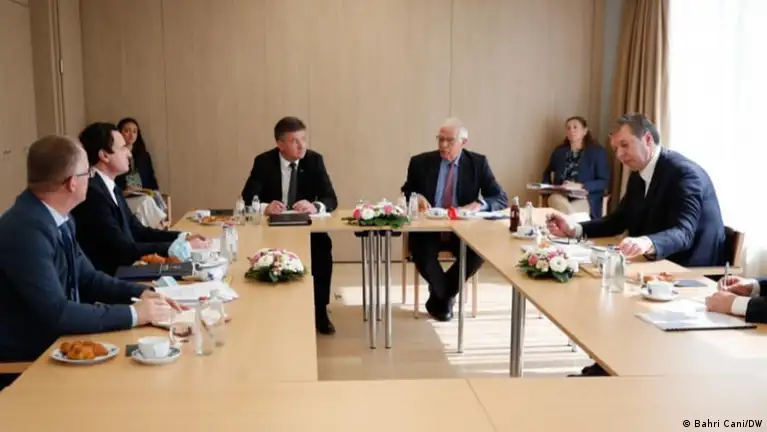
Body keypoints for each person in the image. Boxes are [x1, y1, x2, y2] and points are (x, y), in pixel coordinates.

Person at [547, 113, 726, 377]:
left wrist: (646, 242)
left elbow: (684, 233)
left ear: (648, 139)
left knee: (613, 295)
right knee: (600, 292)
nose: (619, 155)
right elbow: (618, 220)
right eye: (616, 148)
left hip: (690, 271)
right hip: (657, 265)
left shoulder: (683, 174)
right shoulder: (639, 174)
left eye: (625, 145)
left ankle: (611, 373)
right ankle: (608, 367)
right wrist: (575, 228)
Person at [0, 135, 181, 390]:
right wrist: (134, 314)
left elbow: (88, 278)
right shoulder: (26, 230)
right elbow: (57, 313)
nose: (92, 178)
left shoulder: (58, 217)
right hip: (29, 364)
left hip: (61, 346)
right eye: (88, 173)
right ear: (72, 183)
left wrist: (144, 293)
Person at [401, 118, 508, 322]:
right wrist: (417, 197)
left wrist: (478, 204)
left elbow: (500, 197)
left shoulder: (478, 163)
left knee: (477, 253)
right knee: (421, 252)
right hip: (429, 228)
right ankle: (445, 298)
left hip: (462, 228)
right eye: (440, 139)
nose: (443, 145)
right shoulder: (420, 162)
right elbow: (407, 191)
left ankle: (439, 297)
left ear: (463, 142)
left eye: (449, 141)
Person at [240, 116, 338, 335]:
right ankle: (270, 312)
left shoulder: (314, 160)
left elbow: (331, 198)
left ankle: (320, 311)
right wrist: (265, 206)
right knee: (265, 258)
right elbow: (247, 197)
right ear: (280, 144)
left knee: (322, 251)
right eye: (295, 141)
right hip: (271, 230)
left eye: (304, 139)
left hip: (307, 228)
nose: (302, 145)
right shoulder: (263, 162)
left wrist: (315, 206)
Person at [72, 122, 209, 276]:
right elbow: (121, 249)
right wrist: (180, 247)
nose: (129, 154)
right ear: (104, 155)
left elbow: (138, 231)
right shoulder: (93, 194)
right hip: (112, 278)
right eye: (123, 148)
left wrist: (182, 237)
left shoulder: (111, 188)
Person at [541, 116, 609, 220]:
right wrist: (547, 189)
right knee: (554, 199)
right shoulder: (559, 151)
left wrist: (581, 186)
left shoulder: (597, 152)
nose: (571, 130)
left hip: (586, 198)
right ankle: (574, 222)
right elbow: (547, 172)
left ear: (585, 131)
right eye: (568, 128)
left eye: (575, 127)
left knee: (563, 213)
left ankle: (569, 221)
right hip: (560, 196)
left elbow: (604, 182)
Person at [115, 117, 168, 229]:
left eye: (135, 131)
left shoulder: (143, 155)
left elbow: (151, 179)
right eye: (127, 131)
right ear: (119, 133)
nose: (131, 135)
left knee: (150, 199)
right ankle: (159, 229)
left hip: (142, 193)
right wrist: (124, 191)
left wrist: (148, 191)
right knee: (145, 203)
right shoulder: (115, 156)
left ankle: (156, 229)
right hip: (123, 197)